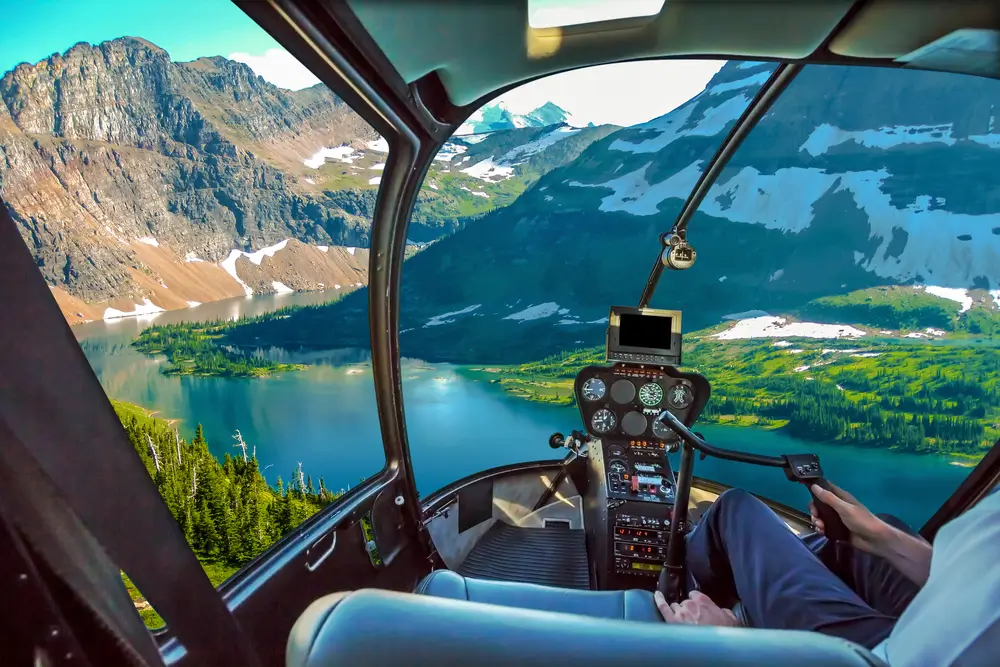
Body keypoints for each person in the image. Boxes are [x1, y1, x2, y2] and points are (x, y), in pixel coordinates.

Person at [653, 482, 1000, 665]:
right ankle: (763, 596)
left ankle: (687, 582)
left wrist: (733, 644)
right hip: (941, 620)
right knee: (864, 537)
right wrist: (882, 538)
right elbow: (979, 578)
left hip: (880, 656)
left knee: (736, 509)